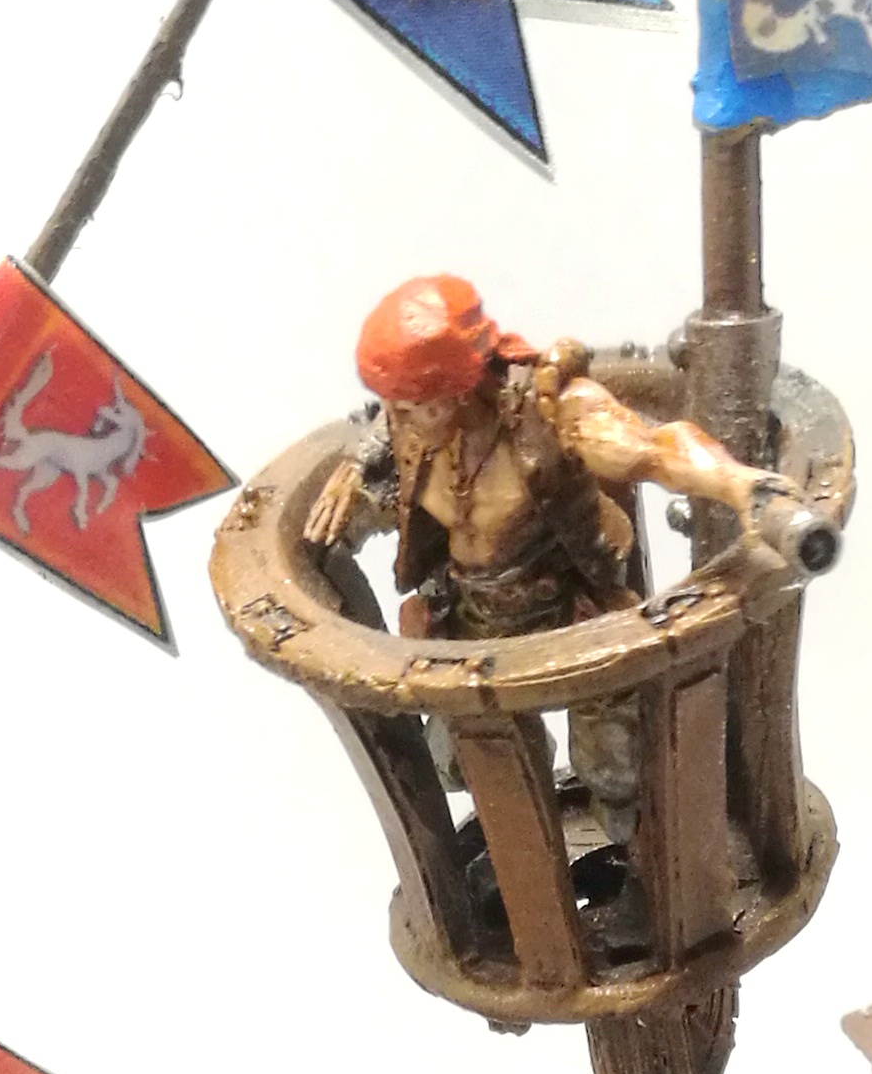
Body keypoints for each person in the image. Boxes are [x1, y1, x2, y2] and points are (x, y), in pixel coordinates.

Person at [304, 275, 808, 839]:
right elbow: (384, 434)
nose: (397, 419)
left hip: (570, 614)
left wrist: (740, 486)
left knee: (616, 771)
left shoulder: (552, 411)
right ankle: (526, 824)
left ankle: (636, 852)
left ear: (458, 388)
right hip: (473, 618)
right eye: (395, 407)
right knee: (464, 764)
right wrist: (358, 464)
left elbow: (655, 451)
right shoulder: (414, 430)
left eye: (414, 407)